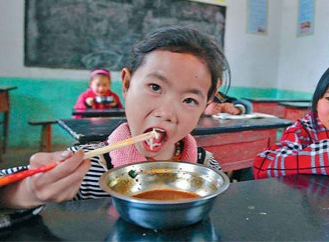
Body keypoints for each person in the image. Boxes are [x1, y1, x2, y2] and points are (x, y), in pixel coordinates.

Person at [0, 26, 230, 209]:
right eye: (155, 87)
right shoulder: (84, 167)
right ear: (127, 84)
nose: (166, 113)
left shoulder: (205, 167)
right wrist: (27, 193)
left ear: (205, 105)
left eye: (189, 100)